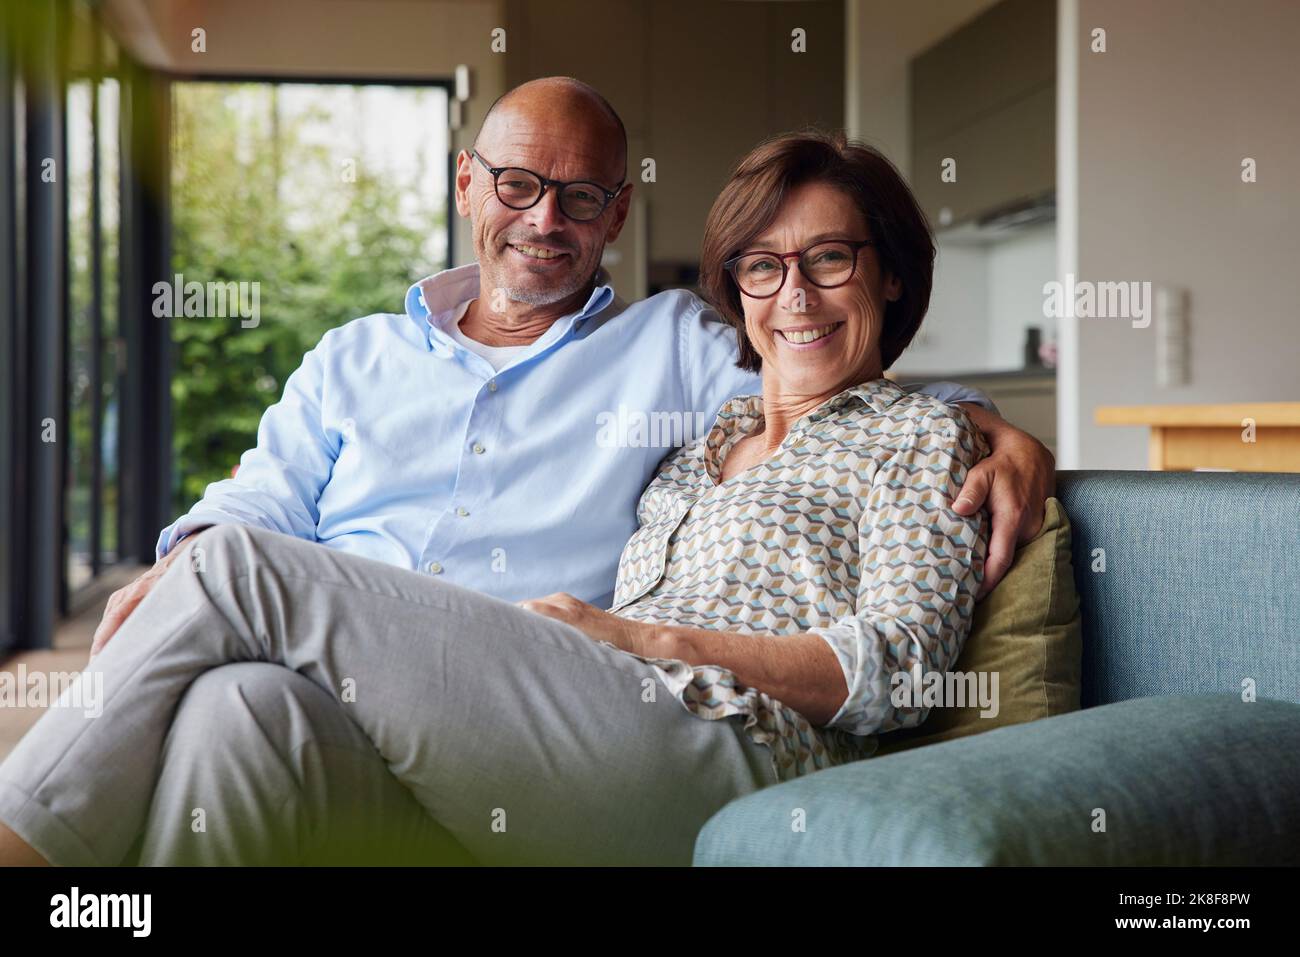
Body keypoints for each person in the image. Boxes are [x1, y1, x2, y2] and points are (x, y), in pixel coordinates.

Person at [0, 78, 1051, 867]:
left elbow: (843, 381)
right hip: (353, 681)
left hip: (606, 712)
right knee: (238, 707)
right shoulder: (374, 361)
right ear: (469, 185)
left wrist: (987, 426)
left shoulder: (676, 352)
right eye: (518, 185)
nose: (547, 219)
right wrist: (180, 560)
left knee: (239, 572)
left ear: (618, 214)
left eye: (581, 195)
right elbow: (262, 494)